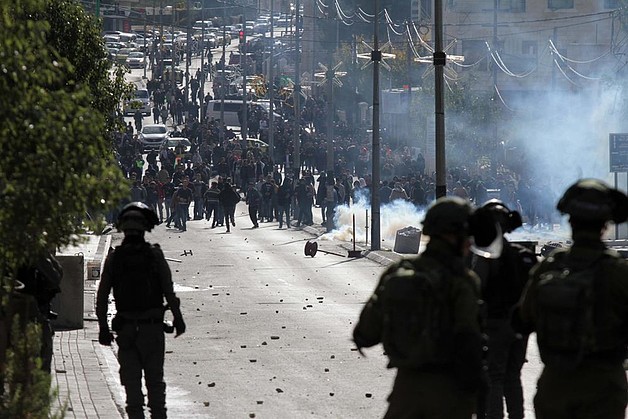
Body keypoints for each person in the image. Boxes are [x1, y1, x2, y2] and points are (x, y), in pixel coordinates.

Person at [353, 197, 498, 419]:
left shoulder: (399, 271)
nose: (469, 243)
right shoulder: (463, 281)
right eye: (466, 237)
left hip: (406, 395)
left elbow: (366, 333)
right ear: (452, 235)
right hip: (451, 397)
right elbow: (469, 339)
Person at [512, 179, 628, 419]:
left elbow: (521, 321)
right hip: (603, 389)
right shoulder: (618, 272)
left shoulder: (551, 266)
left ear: (570, 222)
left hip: (556, 386)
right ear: (604, 226)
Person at [96, 202, 186, 419]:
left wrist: (103, 330)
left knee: (132, 392)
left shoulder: (115, 258)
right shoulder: (154, 256)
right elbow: (168, 291)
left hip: (126, 332)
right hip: (152, 331)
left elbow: (101, 296)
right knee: (156, 387)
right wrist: (178, 319)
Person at [470, 200, 537, 419]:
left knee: (495, 377)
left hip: (496, 323)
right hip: (520, 326)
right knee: (513, 376)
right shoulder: (522, 254)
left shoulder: (487, 257)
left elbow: (477, 290)